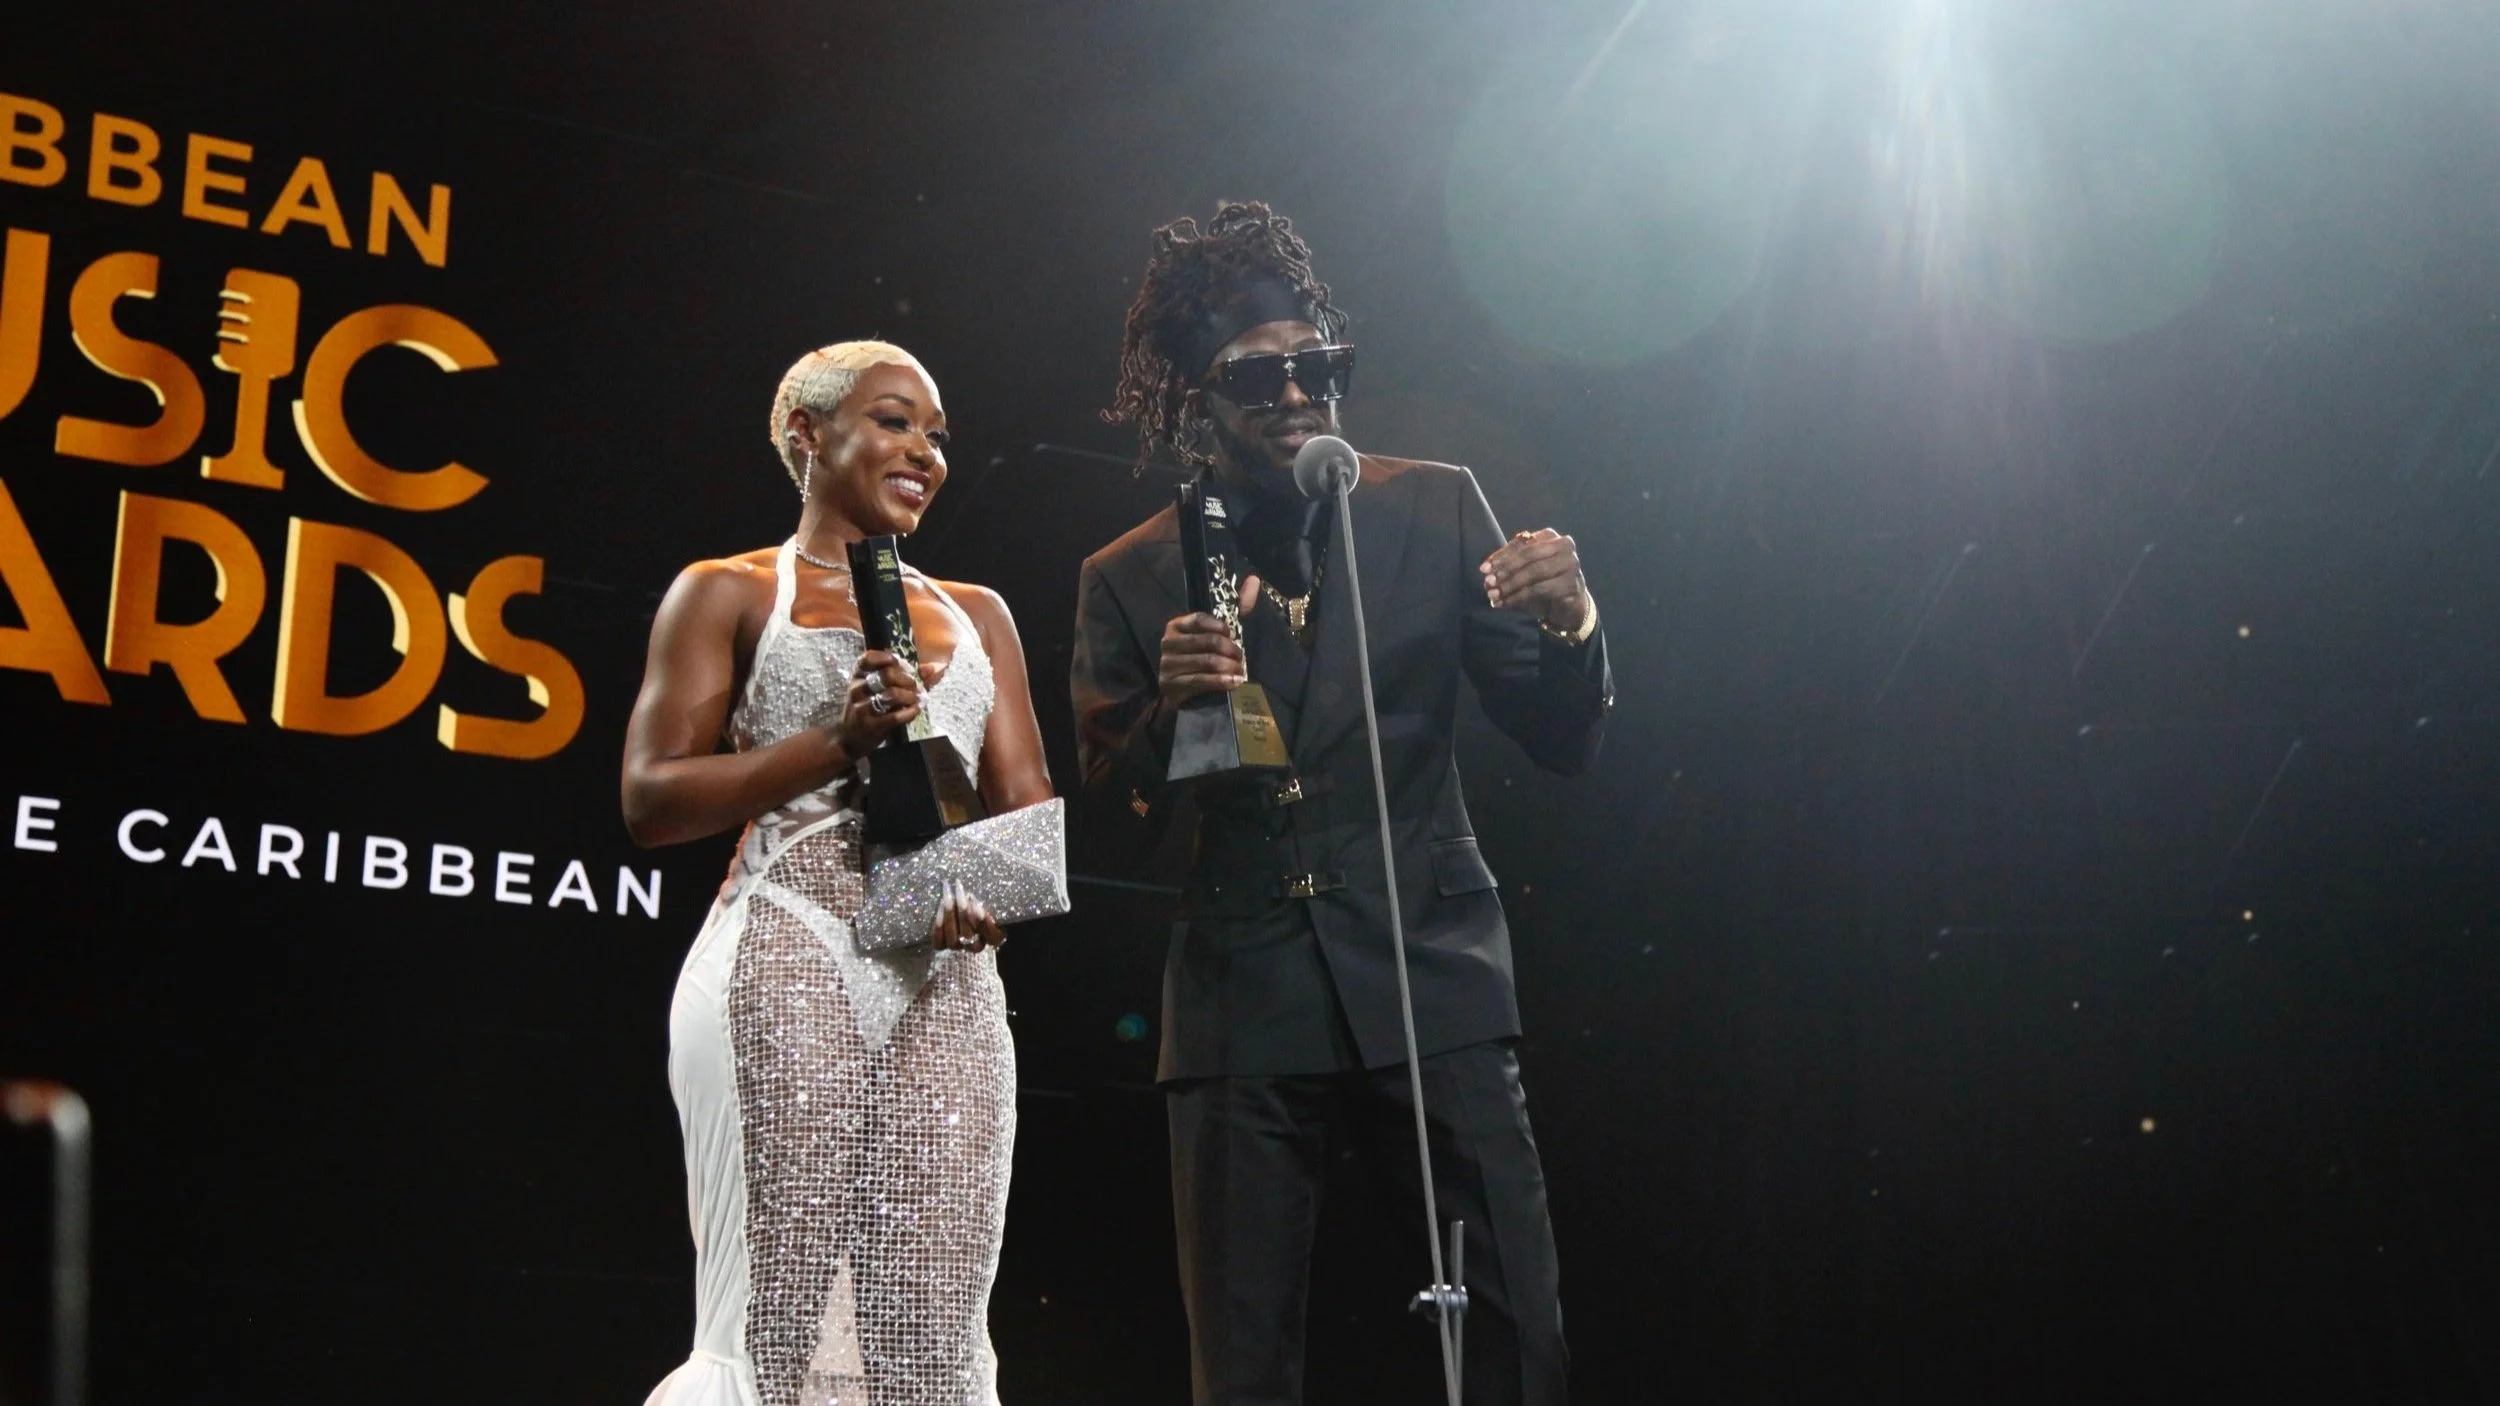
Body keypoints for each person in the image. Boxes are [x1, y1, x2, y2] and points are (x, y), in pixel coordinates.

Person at [1071, 203, 1613, 1405]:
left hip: (1430, 969)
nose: (1294, 394)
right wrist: (1169, 714)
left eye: (1318, 367)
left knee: (1516, 1338)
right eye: (1255, 376)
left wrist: (1572, 623)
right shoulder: (1131, 573)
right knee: (1244, 1366)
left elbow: (1559, 739)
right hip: (1240, 998)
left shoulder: (1433, 505)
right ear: (1194, 398)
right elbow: (1111, 825)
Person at [624, 341, 1053, 1406]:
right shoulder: (725, 590)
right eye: (895, 421)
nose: (924, 452)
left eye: (937, 435)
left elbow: (1027, 811)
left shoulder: (979, 613)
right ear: (806, 435)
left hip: (947, 982)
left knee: (931, 1330)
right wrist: (835, 740)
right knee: (776, 1317)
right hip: (785, 953)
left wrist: (977, 889)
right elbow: (651, 798)